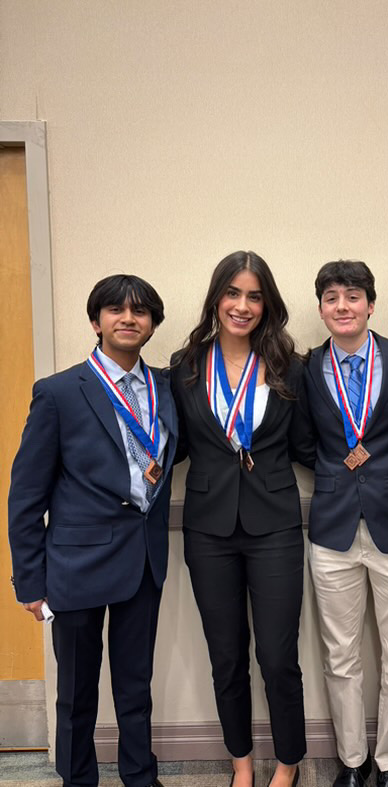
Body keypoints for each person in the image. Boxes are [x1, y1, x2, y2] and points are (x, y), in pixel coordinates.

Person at [8, 274, 177, 787]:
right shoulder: (59, 392)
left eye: (141, 311)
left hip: (143, 558)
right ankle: (77, 779)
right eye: (115, 310)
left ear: (152, 323)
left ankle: (140, 776)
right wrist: (30, 580)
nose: (129, 319)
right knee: (77, 692)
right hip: (75, 565)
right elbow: (26, 494)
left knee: (135, 686)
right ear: (95, 321)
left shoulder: (167, 388)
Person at [170, 251, 315, 787]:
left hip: (274, 523)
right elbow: (175, 445)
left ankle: (289, 762)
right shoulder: (185, 366)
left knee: (278, 658)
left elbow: (304, 444)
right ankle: (241, 763)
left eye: (254, 296)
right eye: (233, 293)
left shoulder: (290, 365)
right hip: (208, 526)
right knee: (225, 655)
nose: (242, 305)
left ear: (266, 303)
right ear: (216, 299)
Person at [304, 260, 388, 787]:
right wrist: (336, 470)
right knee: (341, 656)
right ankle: (353, 762)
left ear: (370, 304)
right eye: (331, 298)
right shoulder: (307, 366)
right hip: (333, 530)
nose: (342, 306)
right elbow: (299, 439)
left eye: (353, 296)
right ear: (321, 309)